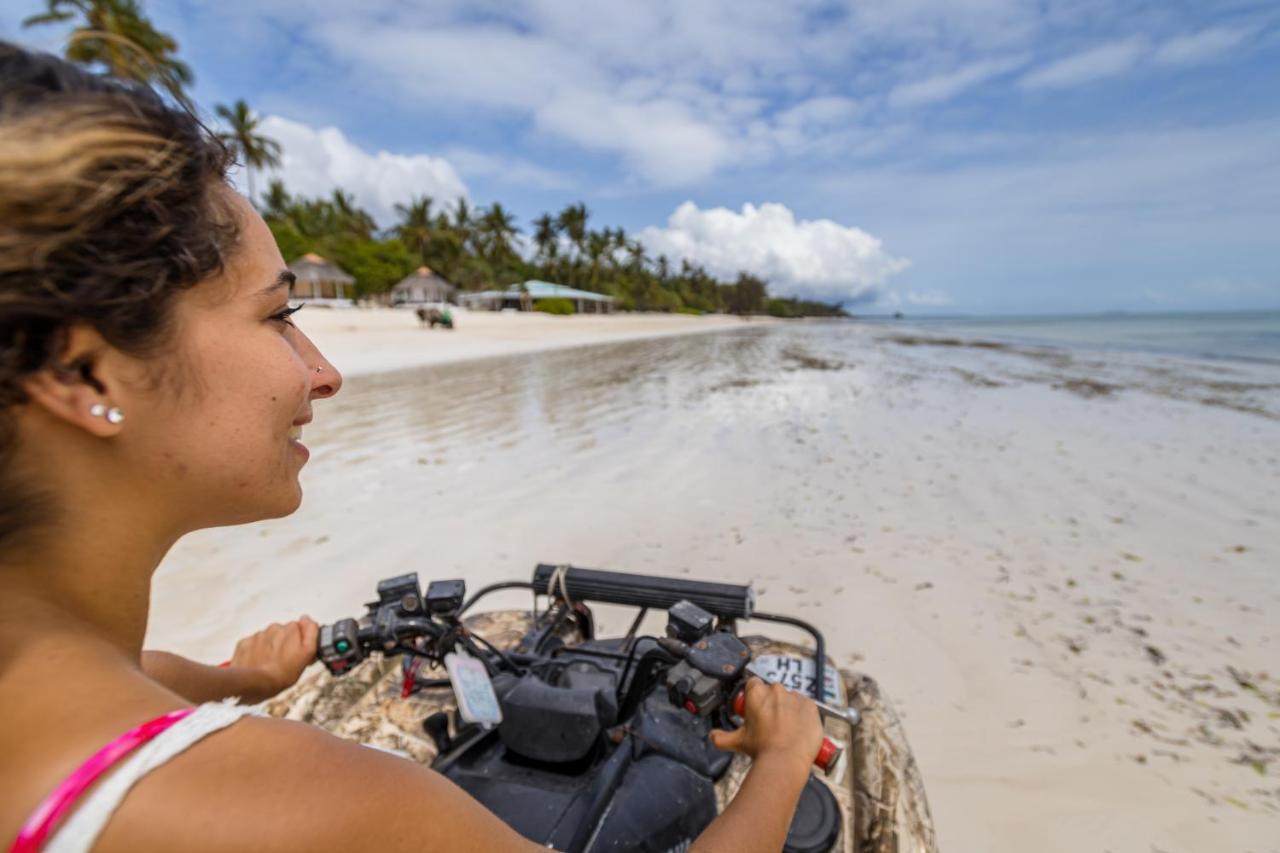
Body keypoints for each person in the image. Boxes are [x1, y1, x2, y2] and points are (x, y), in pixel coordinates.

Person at [0, 43, 824, 852]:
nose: (325, 374)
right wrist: (782, 759)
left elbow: (138, 670)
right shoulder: (319, 804)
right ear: (84, 368)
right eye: (280, 317)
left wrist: (239, 680)